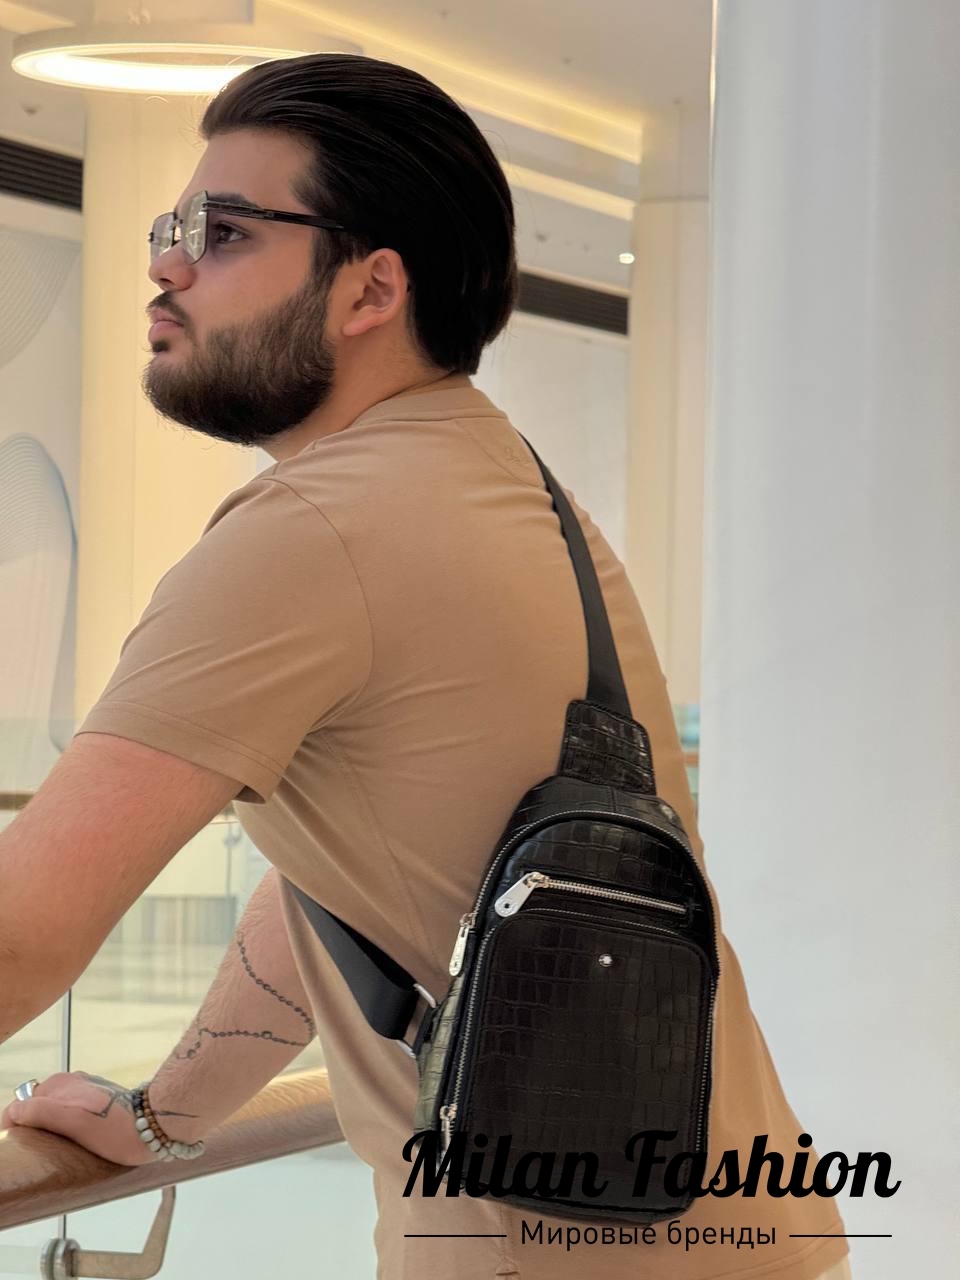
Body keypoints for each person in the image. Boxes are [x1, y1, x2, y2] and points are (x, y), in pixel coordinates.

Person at [0, 53, 852, 1280]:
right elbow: (339, 887)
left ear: (370, 288)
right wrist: (164, 1113)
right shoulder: (515, 487)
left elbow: (23, 932)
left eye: (222, 232)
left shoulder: (313, 529)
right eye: (170, 230)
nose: (167, 264)